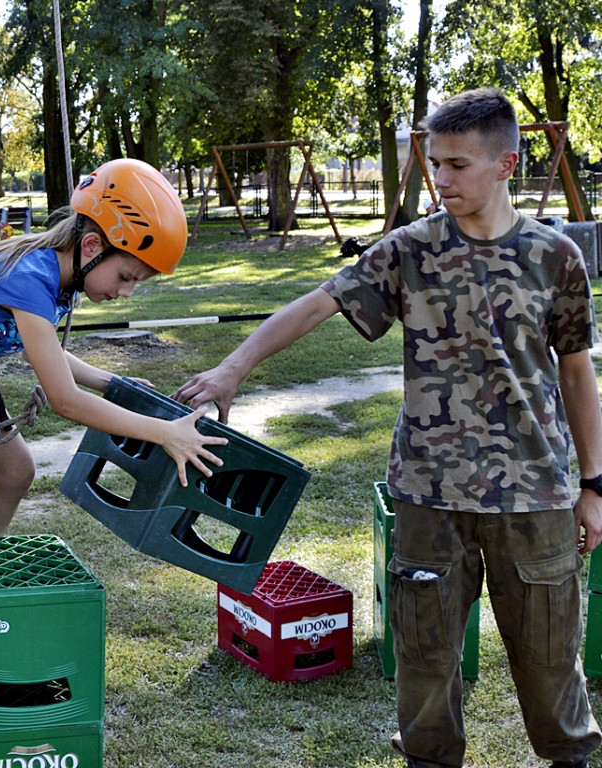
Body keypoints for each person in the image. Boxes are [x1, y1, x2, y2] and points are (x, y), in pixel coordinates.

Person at [175, 87, 602, 768]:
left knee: (552, 667)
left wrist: (594, 484)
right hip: (428, 498)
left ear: (506, 164)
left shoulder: (556, 257)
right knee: (426, 669)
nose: (441, 178)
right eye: (435, 162)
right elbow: (318, 304)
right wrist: (233, 367)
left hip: (536, 496)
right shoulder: (411, 249)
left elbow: (578, 375)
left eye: (458, 164)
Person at [0, 158, 227, 684]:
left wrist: (113, 383)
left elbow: (48, 354)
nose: (126, 292)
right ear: (94, 247)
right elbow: (63, 399)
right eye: (126, 276)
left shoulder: (59, 278)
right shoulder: (31, 276)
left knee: (15, 471)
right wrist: (165, 432)